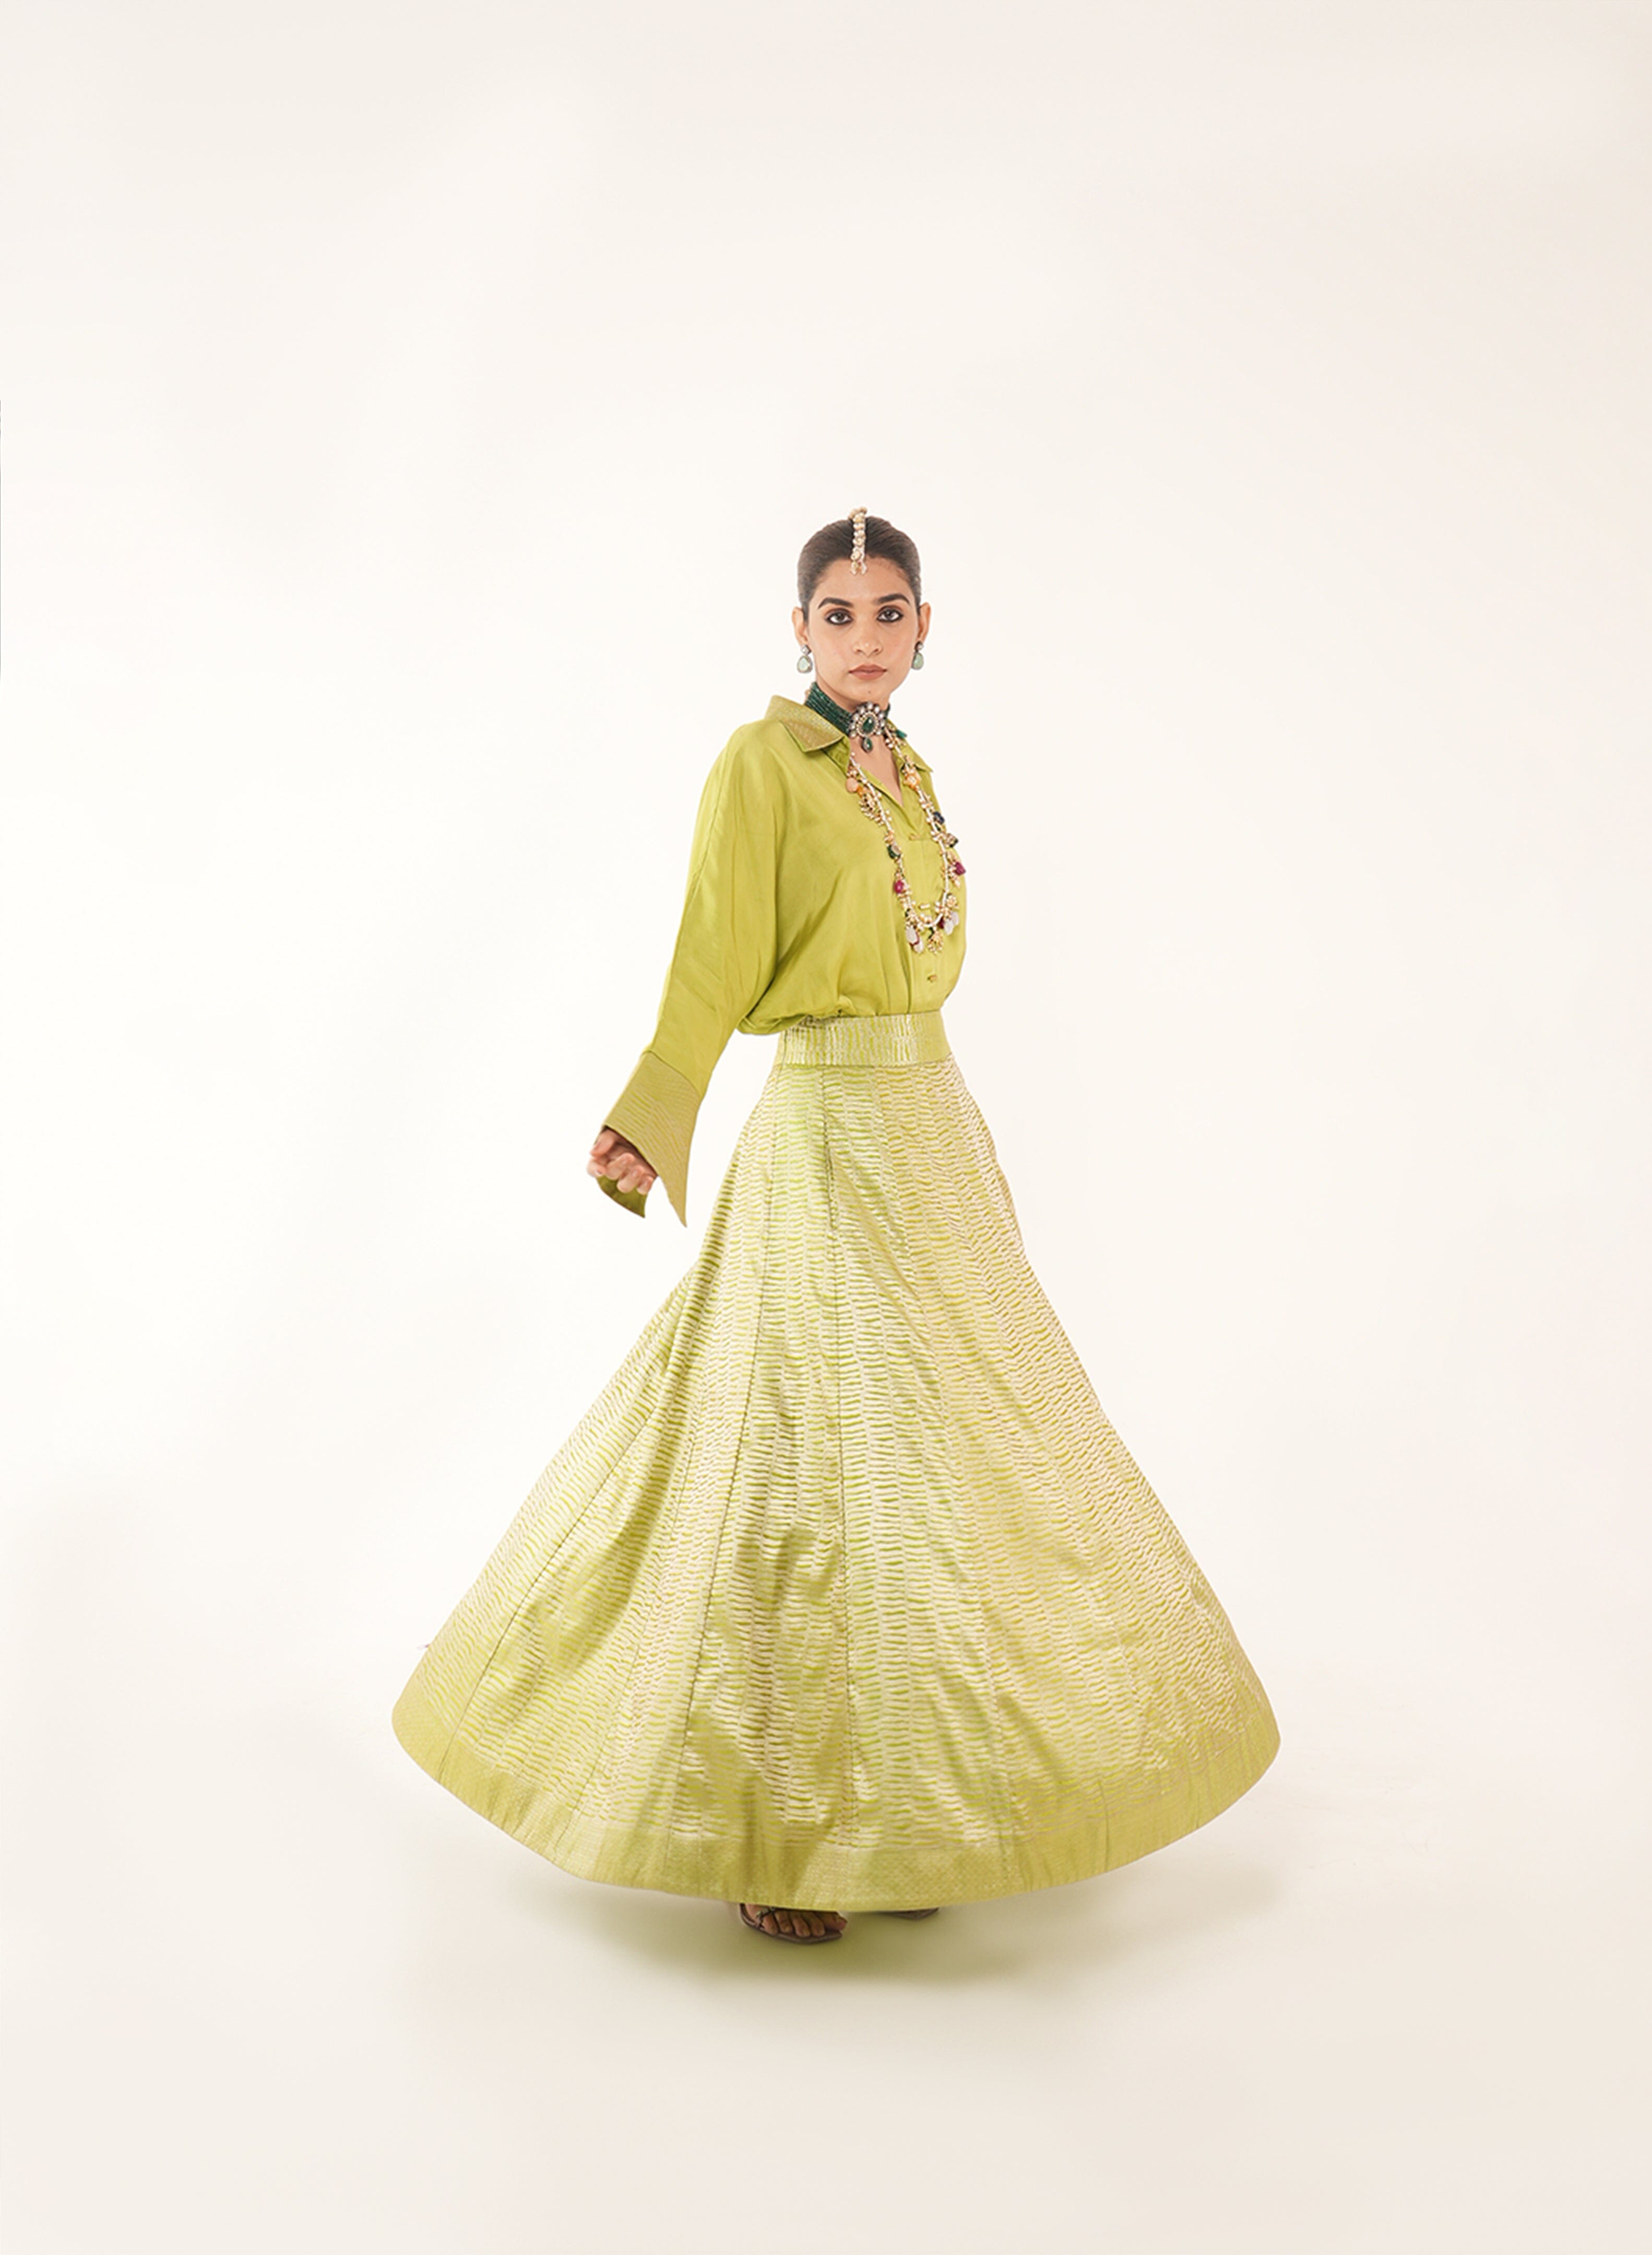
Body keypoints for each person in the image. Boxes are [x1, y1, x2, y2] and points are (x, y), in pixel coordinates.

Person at [390, 508, 1280, 1945]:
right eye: (838, 613)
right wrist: (657, 1107)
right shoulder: (763, 766)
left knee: (942, 1468)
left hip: (932, 1135)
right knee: (801, 1460)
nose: (865, 637)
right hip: (821, 1135)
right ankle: (777, 1835)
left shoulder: (907, 772)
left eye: (890, 611)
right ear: (799, 629)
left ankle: (908, 1818)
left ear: (927, 629)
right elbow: (714, 951)